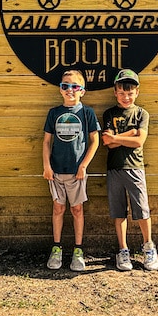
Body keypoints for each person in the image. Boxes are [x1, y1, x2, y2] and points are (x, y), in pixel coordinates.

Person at [102, 69, 158, 272]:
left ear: (137, 92)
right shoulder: (109, 113)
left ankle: (148, 246)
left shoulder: (142, 113)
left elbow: (139, 141)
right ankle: (123, 250)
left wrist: (118, 138)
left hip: (135, 167)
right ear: (115, 92)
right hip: (114, 168)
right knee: (119, 212)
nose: (126, 97)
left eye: (130, 93)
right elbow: (107, 142)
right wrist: (129, 133)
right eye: (122, 93)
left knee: (142, 210)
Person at [43, 69, 100, 272]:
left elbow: (95, 140)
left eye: (75, 86)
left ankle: (78, 250)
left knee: (77, 209)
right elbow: (47, 141)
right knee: (58, 209)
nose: (70, 90)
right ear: (60, 89)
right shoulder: (54, 113)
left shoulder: (87, 114)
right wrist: (46, 166)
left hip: (77, 172)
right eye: (65, 86)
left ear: (82, 91)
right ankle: (56, 248)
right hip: (56, 171)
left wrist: (83, 165)